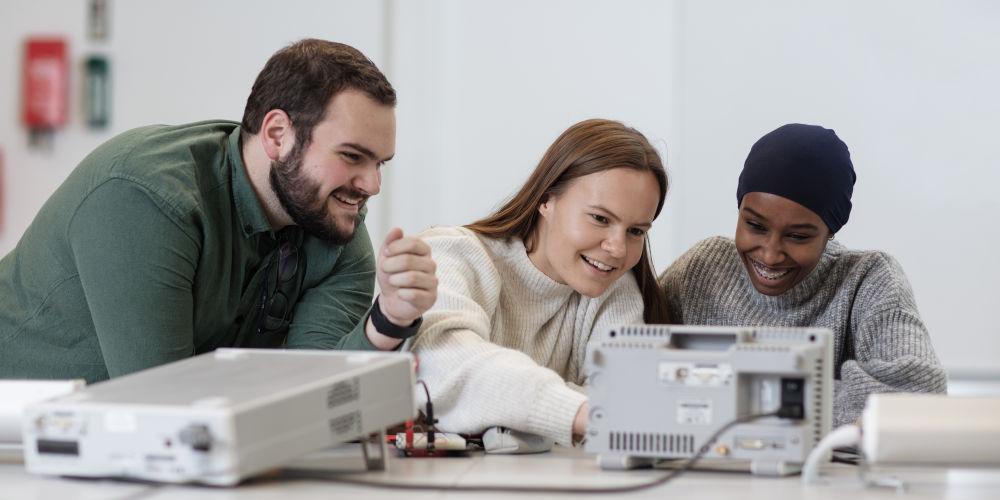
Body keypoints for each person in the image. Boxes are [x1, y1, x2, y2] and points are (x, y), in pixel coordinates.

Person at [0, 39, 437, 383]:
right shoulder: (147, 196)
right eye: (352, 156)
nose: (372, 185)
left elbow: (316, 390)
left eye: (379, 163)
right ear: (278, 134)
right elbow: (161, 403)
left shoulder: (333, 228)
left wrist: (390, 319)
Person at [659, 123, 947, 426]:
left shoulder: (868, 279)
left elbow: (918, 398)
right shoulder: (703, 268)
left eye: (797, 236)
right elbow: (628, 366)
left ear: (830, 232)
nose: (770, 255)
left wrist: (739, 396)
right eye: (755, 226)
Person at [406, 119, 670, 447]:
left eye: (636, 231)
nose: (617, 249)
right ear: (546, 200)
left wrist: (501, 409)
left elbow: (624, 401)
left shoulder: (613, 290)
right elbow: (446, 366)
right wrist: (577, 411)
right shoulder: (451, 254)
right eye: (600, 219)